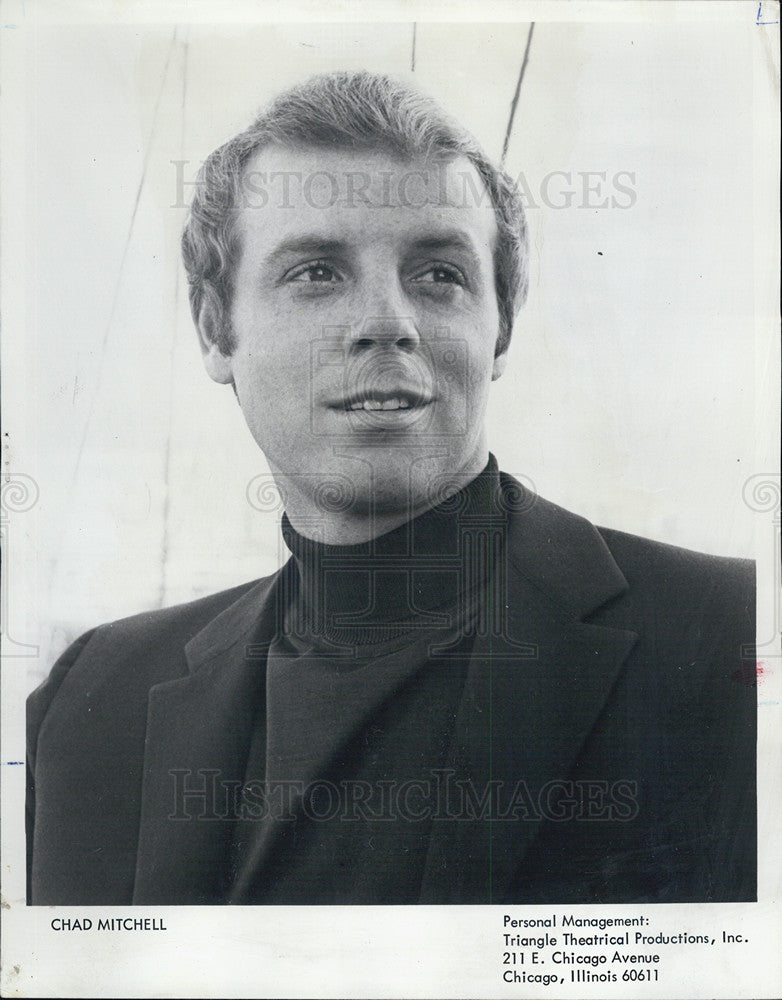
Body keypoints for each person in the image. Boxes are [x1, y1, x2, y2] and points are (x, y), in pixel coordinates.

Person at [26, 70, 756, 906]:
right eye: (316, 273)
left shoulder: (731, 638)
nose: (387, 320)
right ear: (215, 329)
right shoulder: (90, 699)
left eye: (439, 273)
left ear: (501, 327)